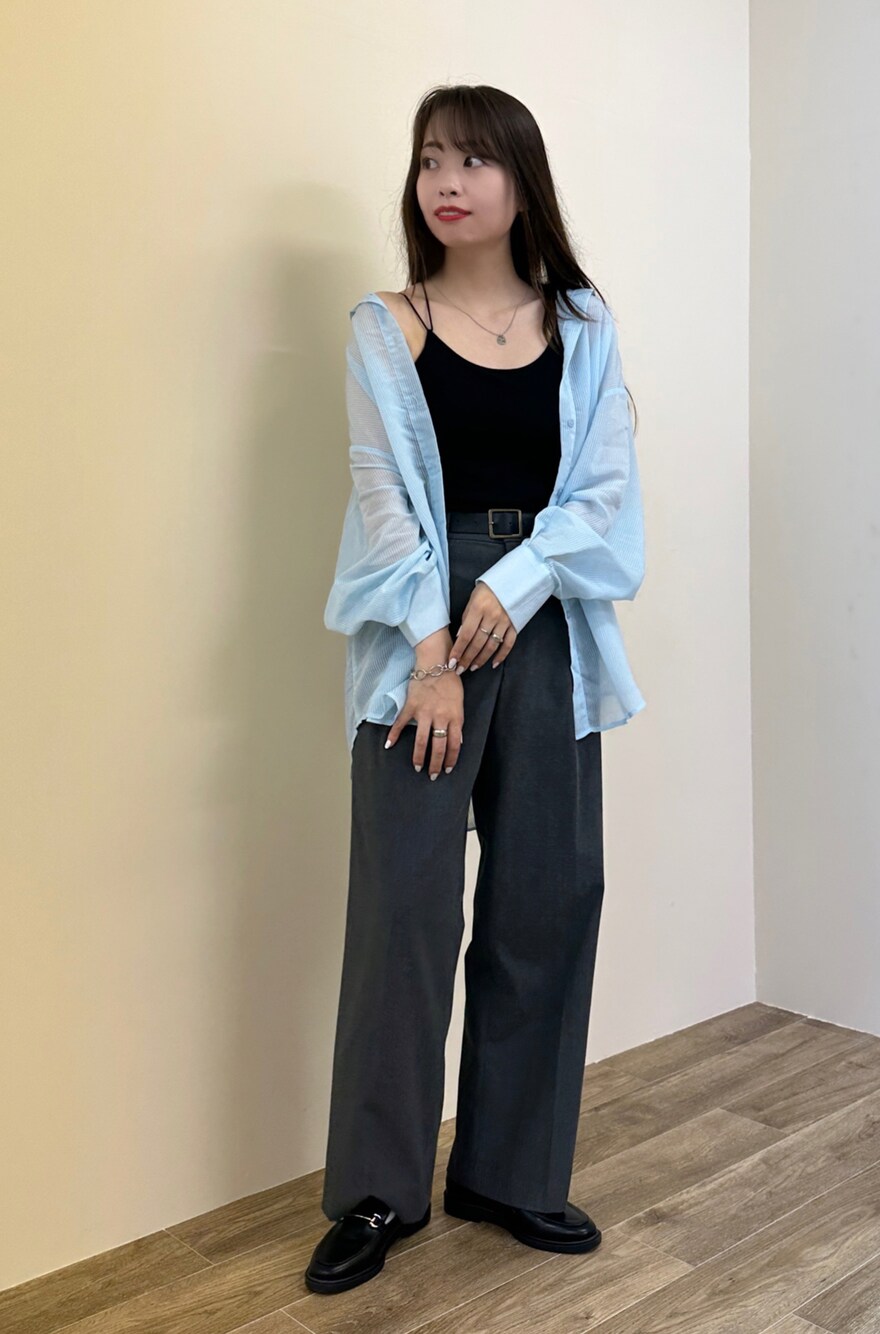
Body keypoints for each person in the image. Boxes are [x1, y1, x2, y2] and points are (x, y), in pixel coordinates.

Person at [305, 82, 646, 1296]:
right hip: (422, 623)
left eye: (472, 160)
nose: (446, 182)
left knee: (550, 893)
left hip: (542, 613)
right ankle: (377, 1189)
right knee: (403, 908)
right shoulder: (386, 324)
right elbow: (382, 500)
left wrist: (521, 580)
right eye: (429, 160)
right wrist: (434, 652)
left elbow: (600, 488)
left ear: (519, 178)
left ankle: (509, 1170)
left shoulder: (583, 323)